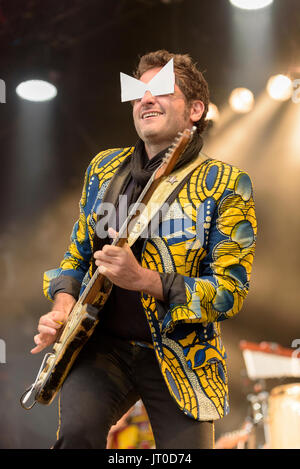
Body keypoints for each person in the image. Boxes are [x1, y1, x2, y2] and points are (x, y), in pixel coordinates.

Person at [31, 50, 257, 449]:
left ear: (195, 109)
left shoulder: (226, 182)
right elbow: (76, 258)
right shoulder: (103, 168)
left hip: (183, 355)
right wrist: (62, 308)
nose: (145, 99)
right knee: (75, 437)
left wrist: (144, 280)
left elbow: (228, 292)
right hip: (104, 349)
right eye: (138, 93)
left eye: (161, 91)